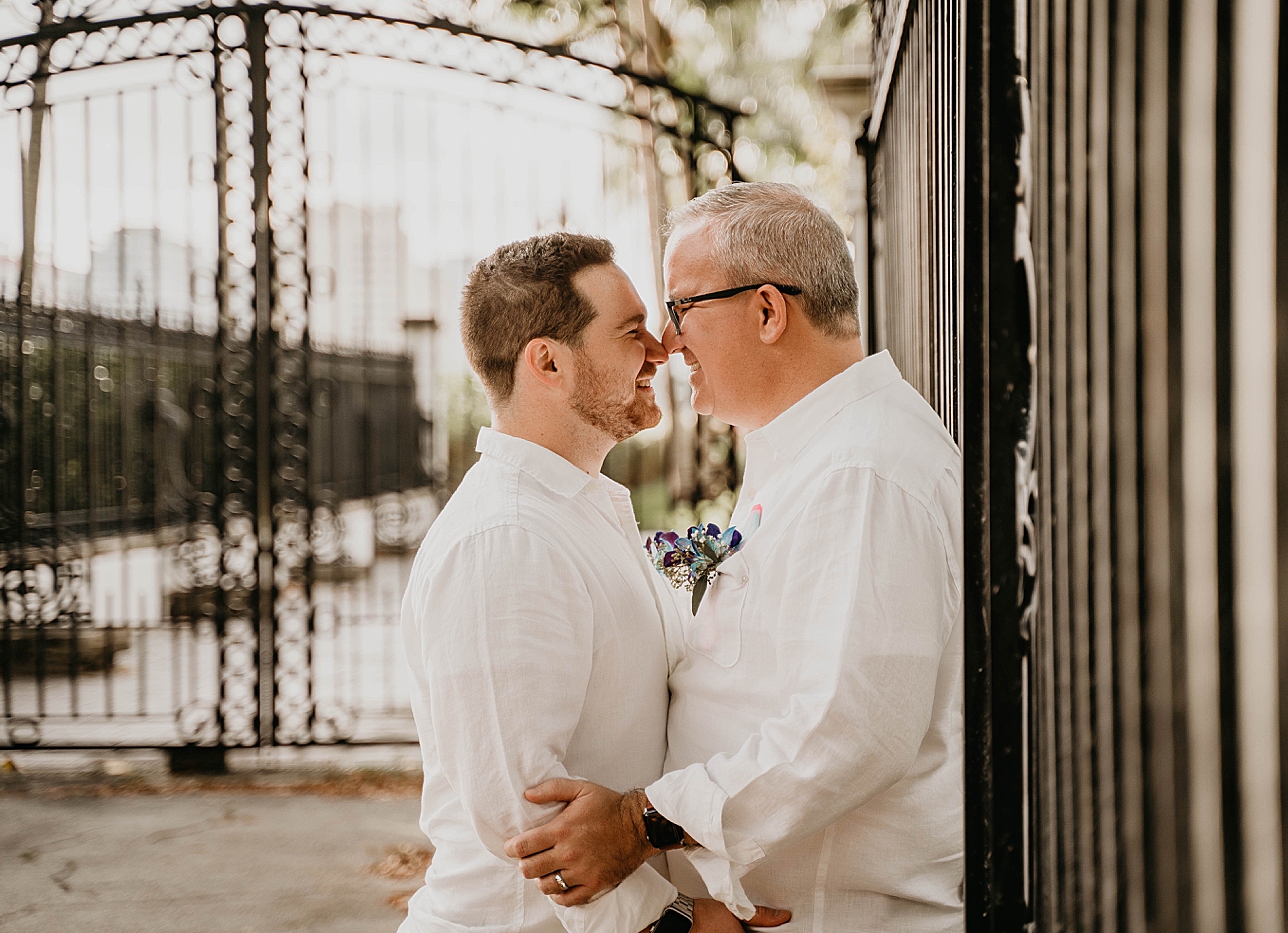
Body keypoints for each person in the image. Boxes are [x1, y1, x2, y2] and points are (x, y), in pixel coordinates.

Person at [504, 183, 966, 932]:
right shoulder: (810, 452)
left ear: (766, 310)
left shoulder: (864, 470)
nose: (666, 341)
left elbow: (849, 726)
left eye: (682, 307)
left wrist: (640, 823)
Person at [398, 232, 790, 933]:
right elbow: (525, 811)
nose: (662, 347)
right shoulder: (506, 541)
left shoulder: (575, 509)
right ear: (548, 361)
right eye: (630, 330)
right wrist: (676, 921)